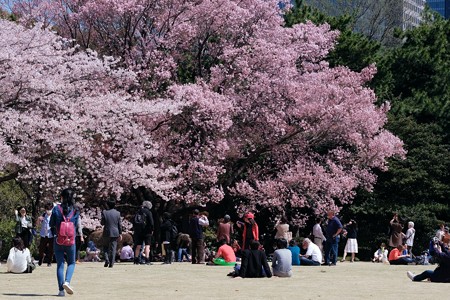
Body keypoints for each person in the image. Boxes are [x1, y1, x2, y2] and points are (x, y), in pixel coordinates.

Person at [49, 188, 80, 296]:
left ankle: (61, 290)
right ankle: (67, 282)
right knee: (71, 263)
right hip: (70, 240)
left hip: (58, 239)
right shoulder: (75, 209)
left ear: (62, 197)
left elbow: (51, 224)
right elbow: (75, 224)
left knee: (60, 265)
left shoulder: (56, 209)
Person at [101, 197, 122, 268]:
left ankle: (107, 259)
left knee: (105, 247)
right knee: (113, 248)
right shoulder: (118, 213)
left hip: (106, 231)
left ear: (107, 204)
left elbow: (102, 223)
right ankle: (111, 263)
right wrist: (120, 233)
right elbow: (120, 224)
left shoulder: (104, 212)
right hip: (115, 232)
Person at [36, 202, 54, 266]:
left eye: (49, 209)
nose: (48, 211)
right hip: (44, 234)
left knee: (51, 250)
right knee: (41, 248)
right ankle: (40, 259)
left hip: (51, 234)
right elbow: (37, 225)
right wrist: (38, 220)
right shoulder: (43, 215)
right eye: (47, 209)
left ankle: (49, 262)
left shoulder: (53, 215)